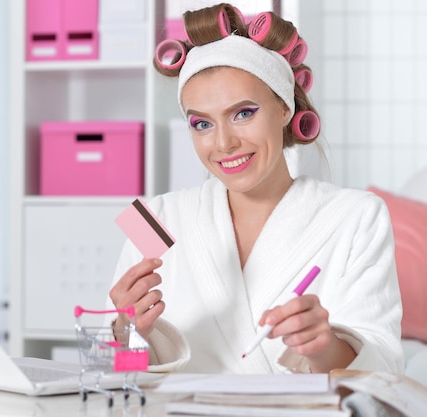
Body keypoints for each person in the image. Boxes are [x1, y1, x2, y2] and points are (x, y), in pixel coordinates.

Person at [106, 2, 404, 375]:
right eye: (202, 124)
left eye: (243, 113)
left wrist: (324, 346)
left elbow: (384, 370)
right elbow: (116, 375)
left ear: (284, 109)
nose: (224, 143)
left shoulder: (358, 216)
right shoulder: (151, 219)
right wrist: (124, 331)